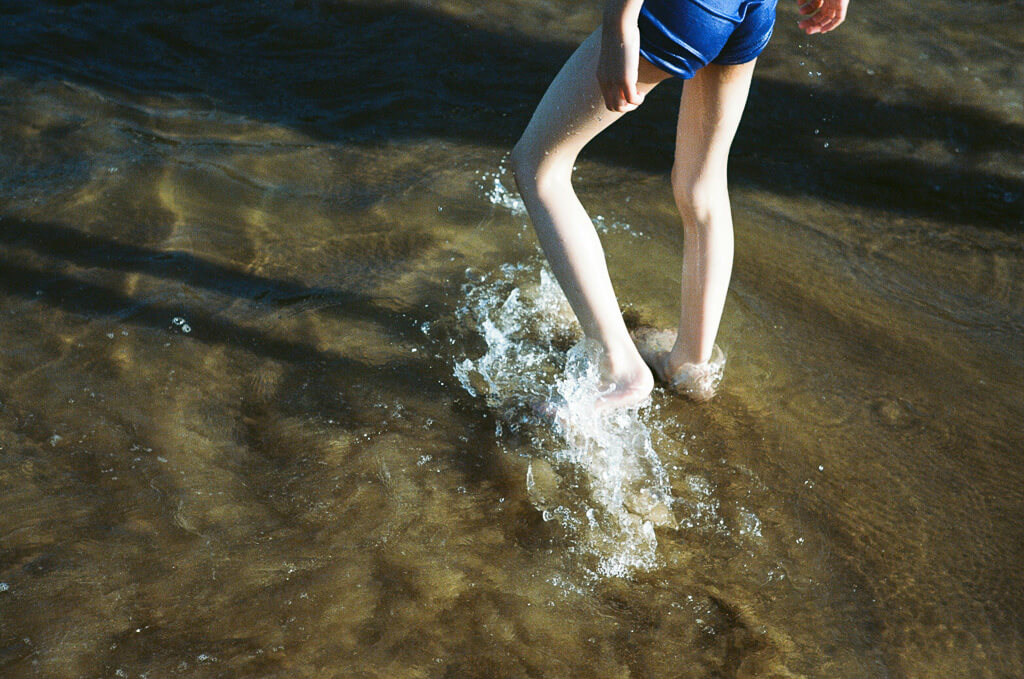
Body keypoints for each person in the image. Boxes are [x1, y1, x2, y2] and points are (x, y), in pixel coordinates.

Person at [511, 0, 849, 407]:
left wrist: (619, 23)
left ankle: (621, 371)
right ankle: (691, 364)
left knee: (539, 168)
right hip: (753, 8)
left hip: (686, 7)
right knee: (701, 183)